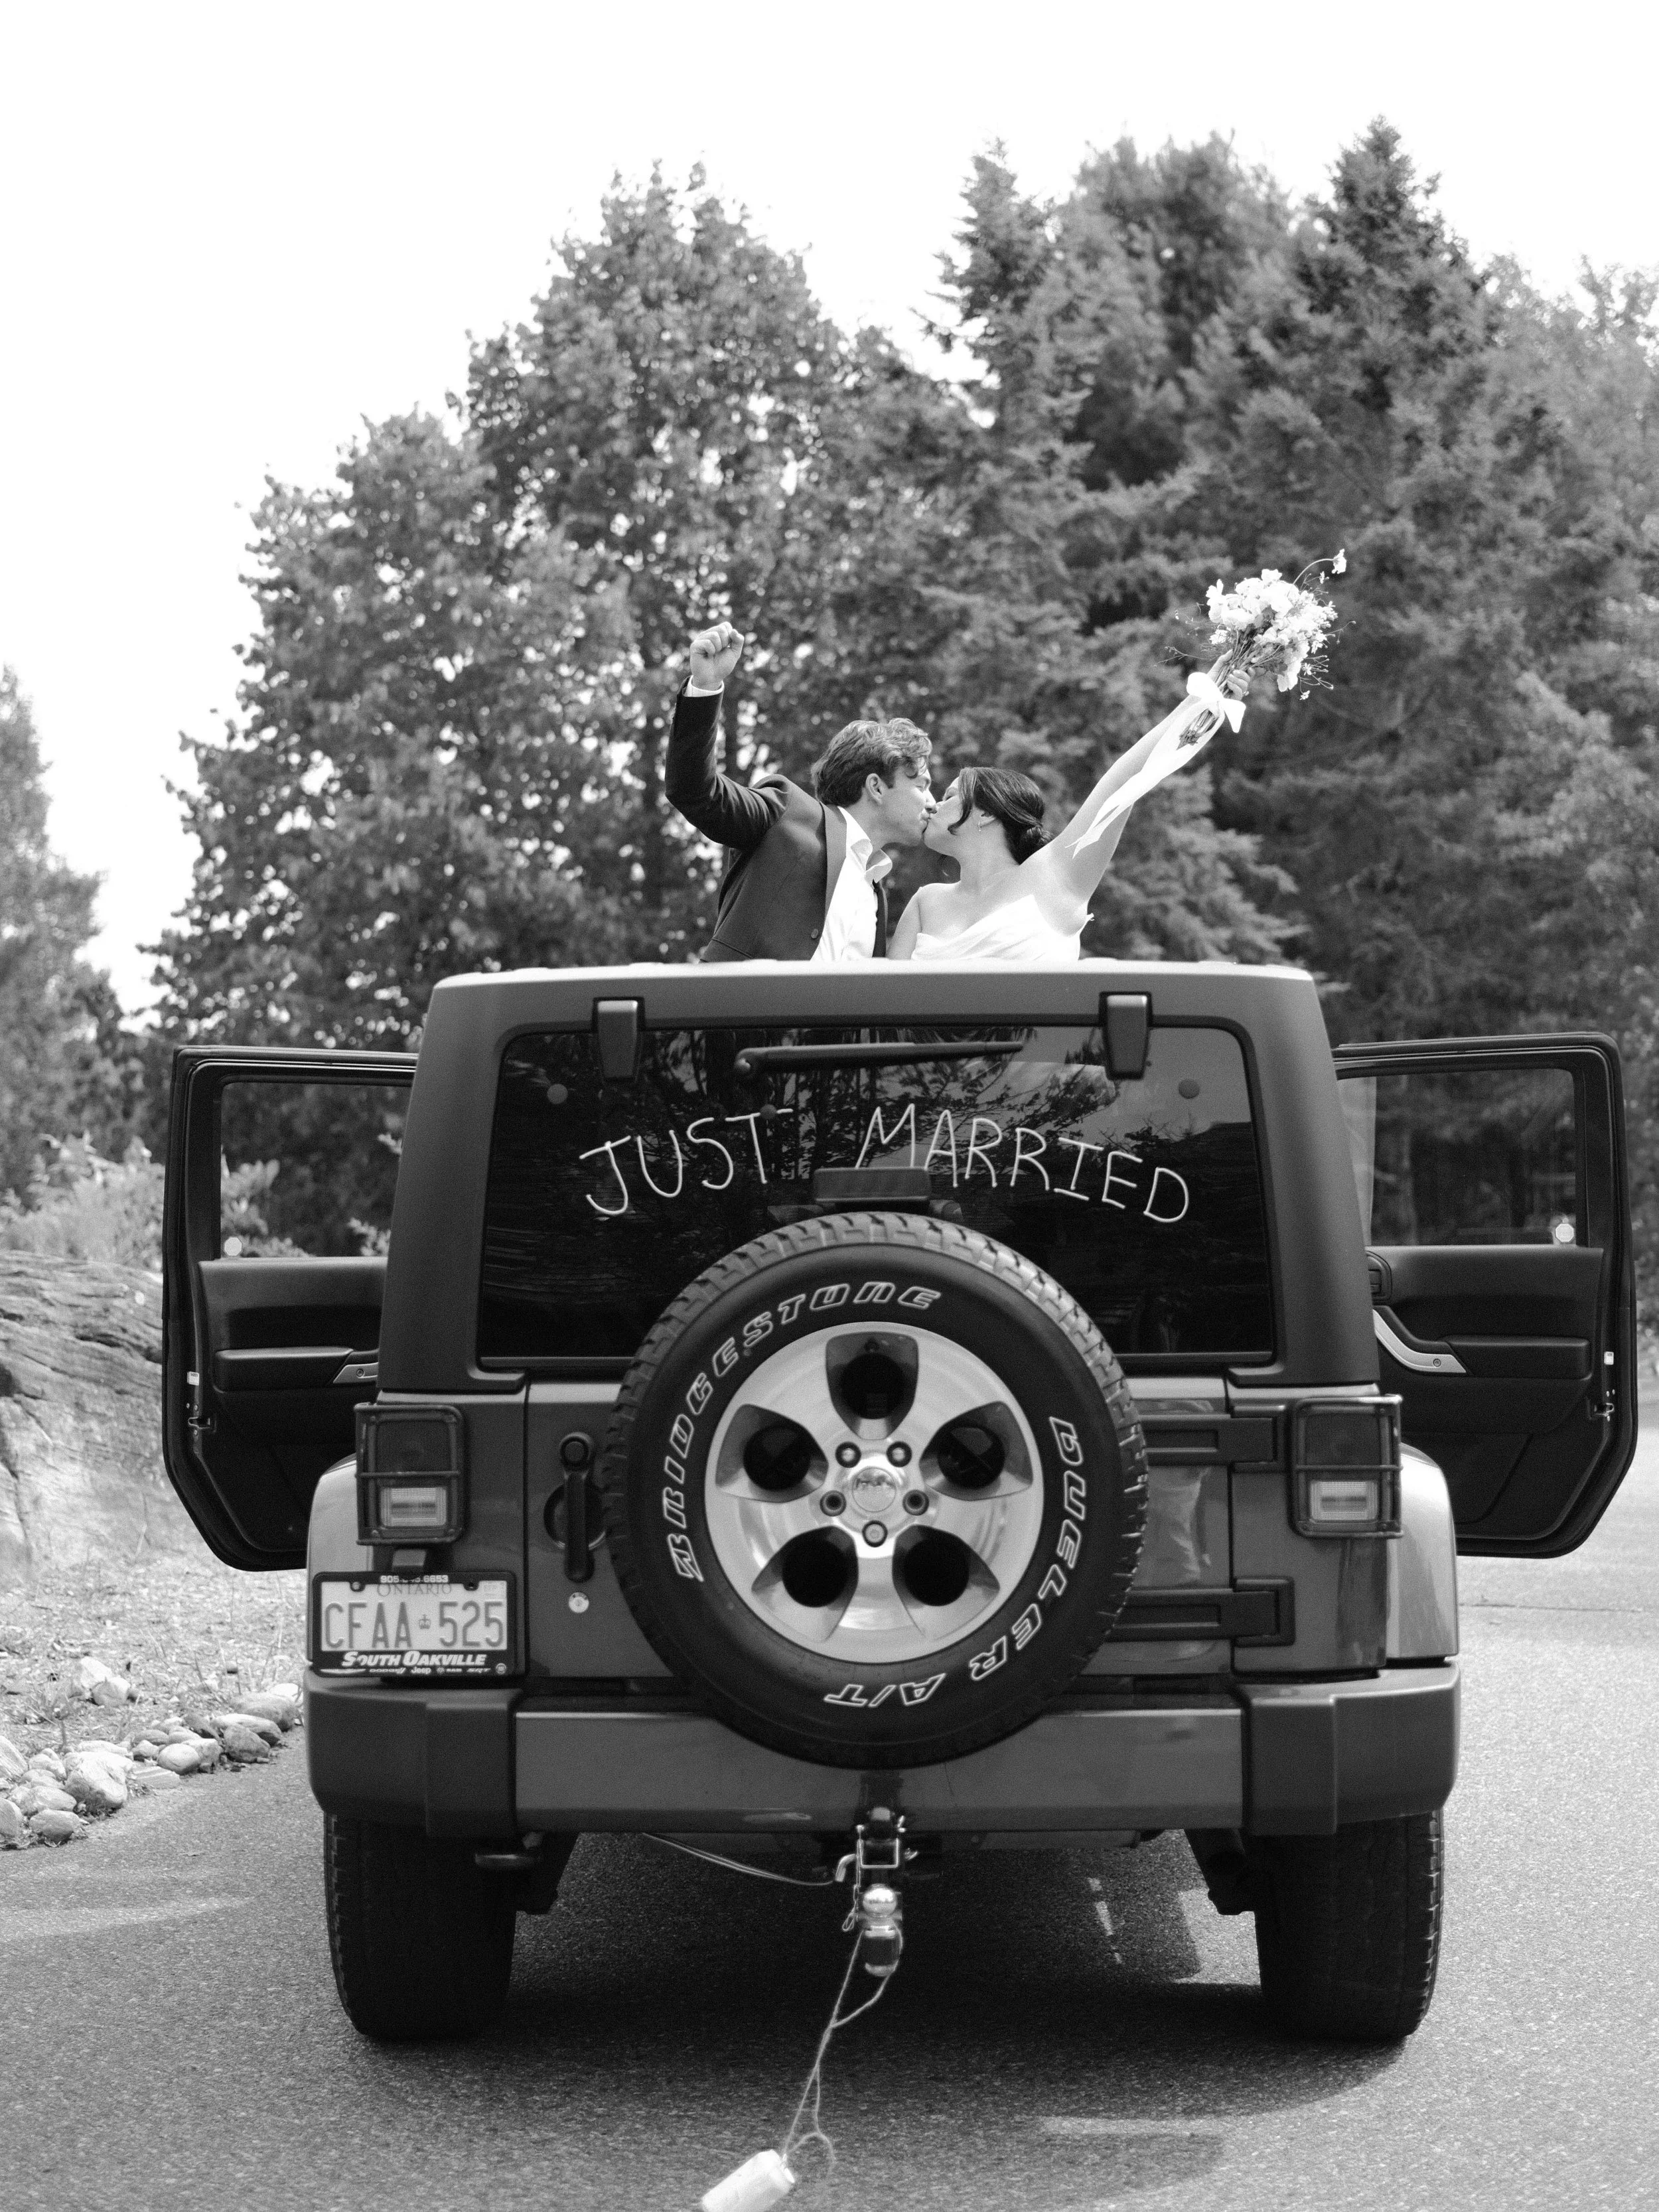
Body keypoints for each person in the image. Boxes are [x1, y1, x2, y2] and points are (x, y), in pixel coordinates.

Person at [889, 680, 1246, 962]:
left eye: (951, 796)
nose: (933, 805)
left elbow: (1123, 781)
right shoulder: (924, 903)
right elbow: (884, 1012)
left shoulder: (1056, 875)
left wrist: (1205, 698)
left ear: (986, 813)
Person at [664, 621, 934, 961]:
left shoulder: (876, 892)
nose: (932, 803)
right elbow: (694, 790)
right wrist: (706, 686)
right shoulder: (788, 811)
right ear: (876, 787)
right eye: (921, 786)